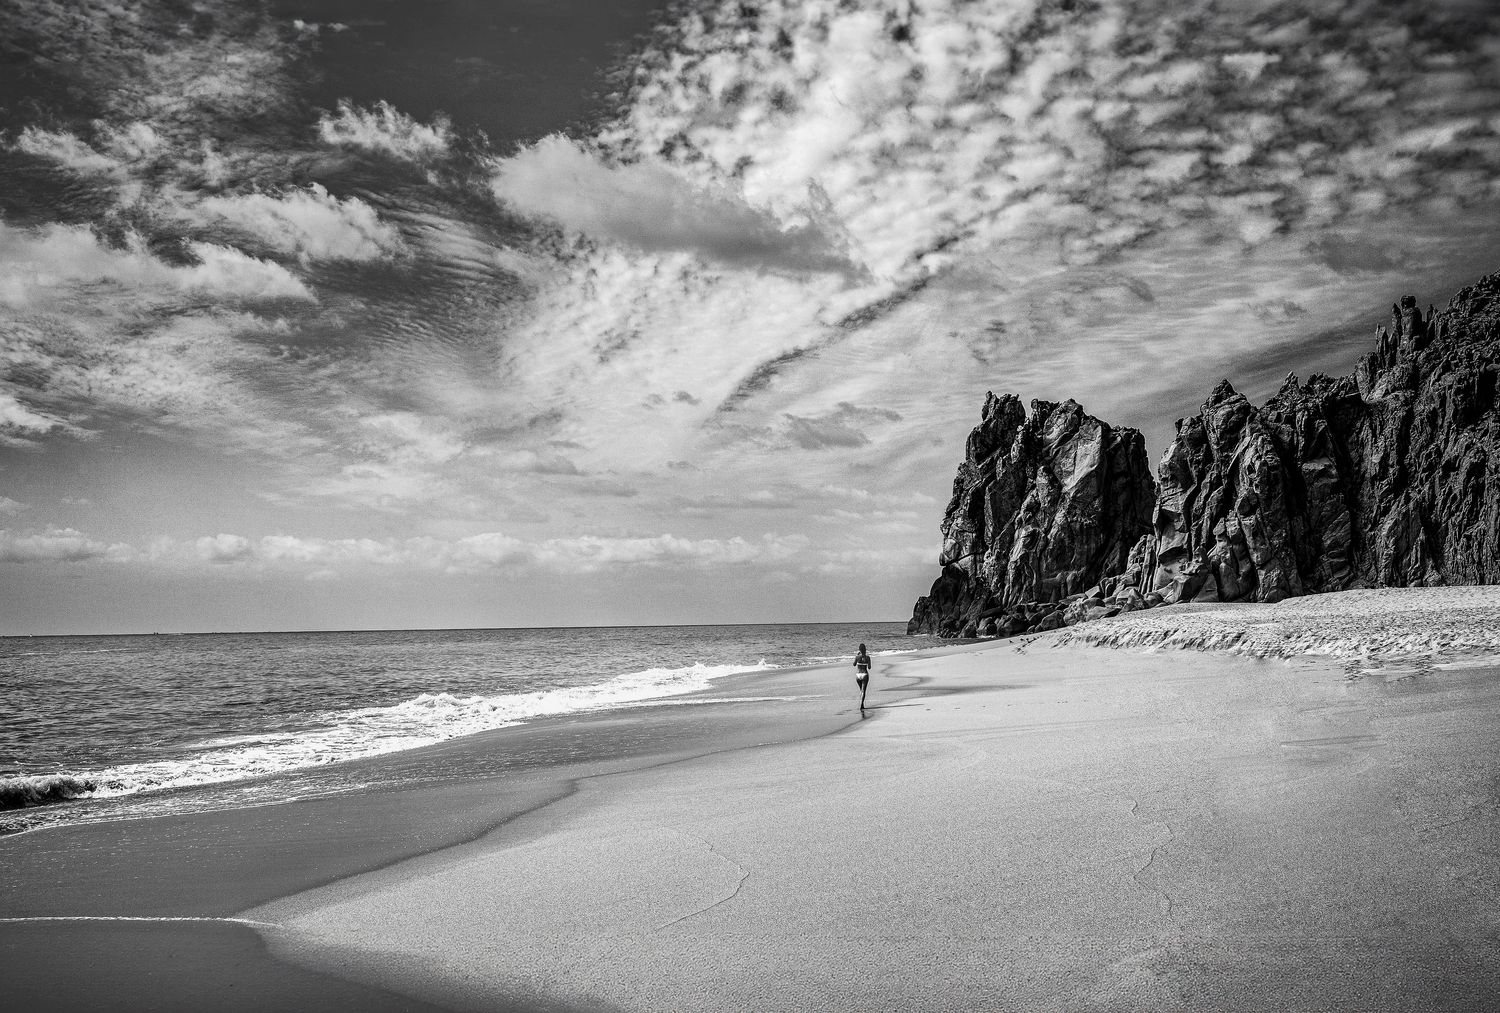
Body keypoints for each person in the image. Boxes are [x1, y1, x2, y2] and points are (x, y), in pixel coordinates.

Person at [853, 643, 872, 709]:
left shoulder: (857, 657)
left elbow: (854, 664)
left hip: (858, 675)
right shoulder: (868, 657)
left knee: (861, 690)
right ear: (865, 649)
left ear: (859, 649)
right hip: (864, 674)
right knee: (863, 690)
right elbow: (869, 667)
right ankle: (861, 704)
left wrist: (857, 655)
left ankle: (861, 702)